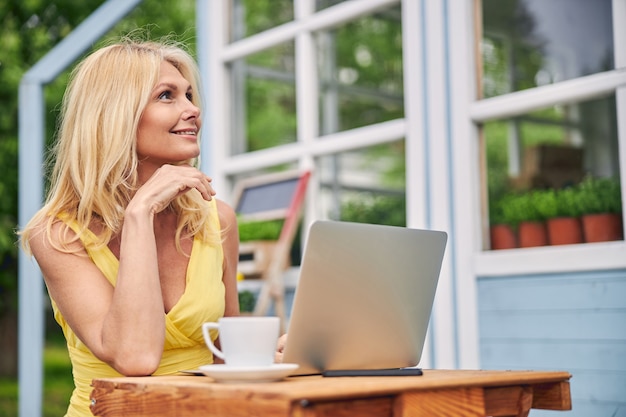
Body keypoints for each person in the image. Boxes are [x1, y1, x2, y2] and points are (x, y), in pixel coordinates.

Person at [20, 38, 283, 417]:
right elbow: (135, 356)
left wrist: (271, 355)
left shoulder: (217, 218)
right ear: (115, 114)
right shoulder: (59, 234)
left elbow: (226, 356)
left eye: (190, 94)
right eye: (167, 96)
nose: (193, 109)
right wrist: (140, 213)